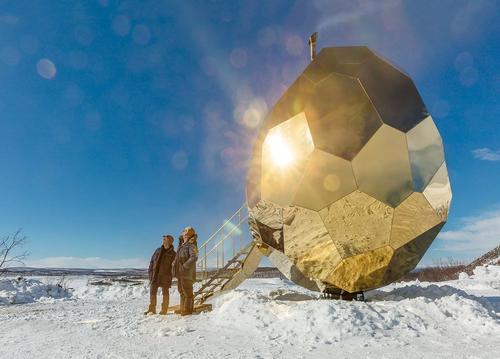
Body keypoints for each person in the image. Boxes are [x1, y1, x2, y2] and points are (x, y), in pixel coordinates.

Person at [144, 235, 176, 315]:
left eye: (166, 239)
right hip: (155, 275)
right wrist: (150, 272)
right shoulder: (158, 250)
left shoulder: (173, 254)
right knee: (152, 292)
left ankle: (164, 310)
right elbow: (152, 262)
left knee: (165, 293)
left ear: (170, 242)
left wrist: (171, 274)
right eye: (163, 239)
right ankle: (152, 309)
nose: (164, 241)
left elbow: (174, 266)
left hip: (166, 276)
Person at [174, 226, 198, 316]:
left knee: (187, 291)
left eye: (184, 230)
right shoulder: (181, 245)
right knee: (181, 290)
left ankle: (188, 310)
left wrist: (184, 266)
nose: (182, 231)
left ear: (188, 234)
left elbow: (194, 257)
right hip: (180, 272)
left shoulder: (192, 244)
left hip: (187, 272)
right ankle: (182, 308)